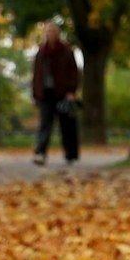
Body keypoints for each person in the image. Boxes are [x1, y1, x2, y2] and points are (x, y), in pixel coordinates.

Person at [31, 23, 82, 167]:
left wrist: (71, 91)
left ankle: (70, 154)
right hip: (45, 94)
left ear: (57, 33)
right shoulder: (41, 51)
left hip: (63, 93)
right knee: (45, 124)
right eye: (48, 31)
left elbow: (74, 72)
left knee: (67, 126)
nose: (50, 34)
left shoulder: (66, 51)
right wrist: (35, 94)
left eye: (52, 31)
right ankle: (40, 152)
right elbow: (36, 74)